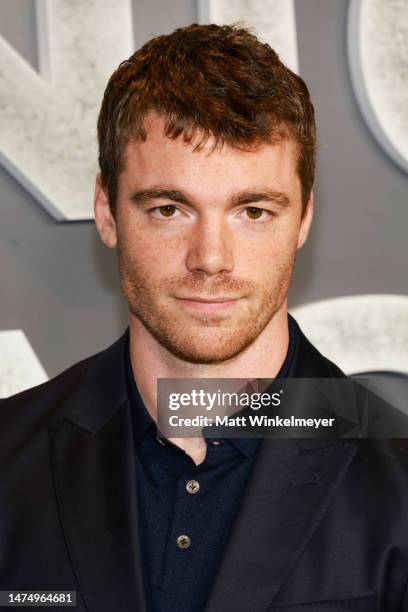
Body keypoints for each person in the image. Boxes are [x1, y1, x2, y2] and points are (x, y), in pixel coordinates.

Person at [1, 23, 407, 612]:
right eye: (169, 208)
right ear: (107, 213)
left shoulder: (396, 484)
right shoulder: (10, 462)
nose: (210, 259)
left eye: (253, 211)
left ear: (303, 219)